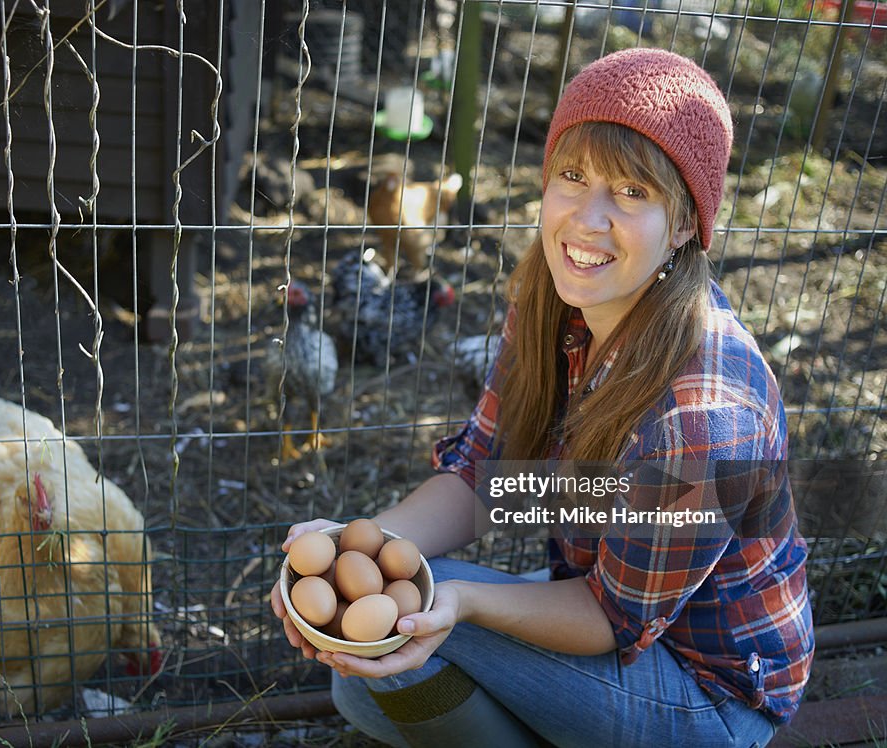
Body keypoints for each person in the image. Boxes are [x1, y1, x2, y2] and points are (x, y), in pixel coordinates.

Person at [271, 48, 813, 748]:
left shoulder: (706, 417)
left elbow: (611, 620)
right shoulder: (551, 304)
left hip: (709, 692)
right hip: (616, 595)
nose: (586, 220)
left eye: (631, 192)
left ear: (683, 226)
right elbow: (481, 477)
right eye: (573, 175)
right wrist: (361, 549)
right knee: (365, 674)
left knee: (412, 633)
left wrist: (458, 601)